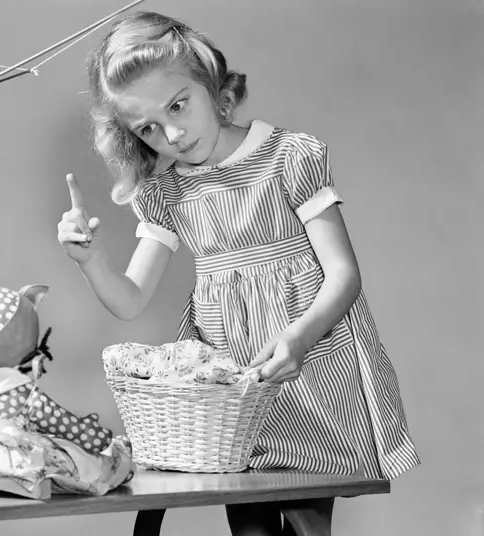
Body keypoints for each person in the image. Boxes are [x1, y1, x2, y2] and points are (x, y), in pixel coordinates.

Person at [57, 10, 420, 535]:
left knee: (307, 519)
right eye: (148, 128)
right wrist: (91, 260)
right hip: (232, 388)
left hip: (311, 367)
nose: (173, 134)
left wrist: (298, 338)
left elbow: (343, 274)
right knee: (250, 527)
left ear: (214, 88)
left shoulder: (288, 157)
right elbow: (130, 300)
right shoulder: (169, 193)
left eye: (178, 105)